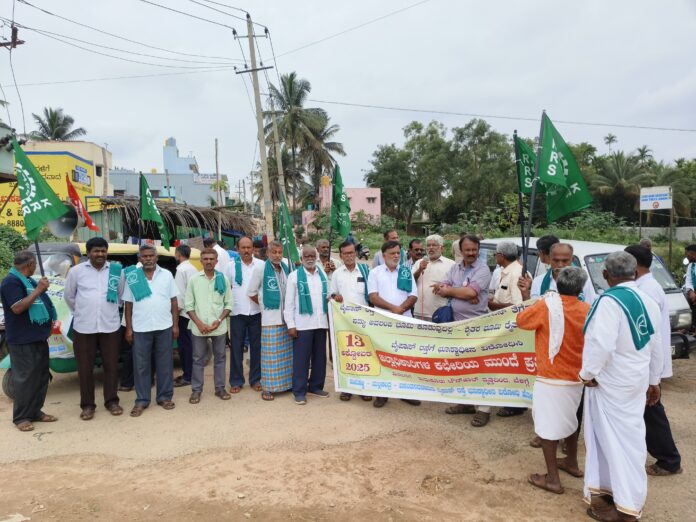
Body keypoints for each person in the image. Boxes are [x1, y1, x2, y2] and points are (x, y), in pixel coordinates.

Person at [581, 251, 663, 521]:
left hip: (611, 383)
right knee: (626, 438)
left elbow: (600, 345)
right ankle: (611, 490)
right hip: (636, 380)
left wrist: (587, 373)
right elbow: (656, 343)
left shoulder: (608, 301)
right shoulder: (647, 300)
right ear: (635, 273)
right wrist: (654, 380)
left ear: (605, 274)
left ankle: (627, 508)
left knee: (619, 443)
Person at [516, 267, 590, 494]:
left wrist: (538, 300)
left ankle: (553, 479)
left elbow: (521, 321)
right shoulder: (588, 309)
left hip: (551, 377)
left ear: (557, 284)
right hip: (577, 377)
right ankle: (571, 462)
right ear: (581, 288)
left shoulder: (545, 306)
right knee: (571, 421)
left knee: (547, 429)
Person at [625, 245, 682, 477]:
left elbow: (650, 336)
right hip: (647, 363)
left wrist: (653, 377)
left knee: (652, 411)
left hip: (647, 364)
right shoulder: (646, 286)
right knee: (648, 411)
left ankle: (669, 460)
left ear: (634, 264)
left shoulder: (647, 290)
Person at [433, 235, 492, 426]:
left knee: (479, 368)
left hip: (476, 327)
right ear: (461, 250)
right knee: (461, 367)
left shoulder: (483, 269)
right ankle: (466, 403)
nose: (471, 253)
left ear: (478, 250)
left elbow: (469, 292)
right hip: (456, 325)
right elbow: (441, 286)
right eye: (468, 250)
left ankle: (484, 409)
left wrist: (457, 291)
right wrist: (463, 293)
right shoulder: (455, 267)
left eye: (474, 249)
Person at [64, 237, 125, 420]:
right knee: (85, 368)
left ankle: (111, 401)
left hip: (110, 326)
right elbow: (69, 296)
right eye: (96, 251)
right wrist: (83, 311)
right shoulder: (76, 271)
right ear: (88, 253)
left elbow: (120, 296)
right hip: (84, 327)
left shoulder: (116, 271)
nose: (100, 254)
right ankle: (88, 405)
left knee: (111, 365)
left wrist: (106, 309)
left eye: (103, 251)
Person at [0, 251, 57, 432]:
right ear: (30, 264)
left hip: (38, 337)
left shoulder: (29, 281)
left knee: (40, 377)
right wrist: (39, 290)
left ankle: (35, 411)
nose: (35, 268)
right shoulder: (11, 282)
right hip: (22, 339)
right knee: (26, 379)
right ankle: (21, 417)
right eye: (35, 265)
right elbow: (17, 308)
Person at [123, 244, 179, 417]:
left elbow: (174, 301)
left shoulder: (167, 275)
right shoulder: (133, 276)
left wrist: (175, 325)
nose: (148, 259)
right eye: (144, 256)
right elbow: (128, 304)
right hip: (141, 327)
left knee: (165, 364)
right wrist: (129, 328)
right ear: (140, 259)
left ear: (156, 257)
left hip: (164, 326)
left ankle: (164, 397)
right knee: (141, 366)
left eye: (151, 256)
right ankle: (142, 400)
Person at [368, 240, 420, 408]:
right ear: (384, 256)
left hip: (403, 320)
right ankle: (382, 393)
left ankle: (405, 392)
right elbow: (373, 297)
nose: (396, 256)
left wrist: (401, 309)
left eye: (398, 253)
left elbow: (413, 295)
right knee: (383, 355)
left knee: (404, 356)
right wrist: (393, 308)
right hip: (382, 322)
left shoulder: (406, 271)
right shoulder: (375, 273)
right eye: (392, 253)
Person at [185, 248, 234, 404]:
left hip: (218, 327)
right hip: (198, 327)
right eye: (205, 259)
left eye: (211, 259)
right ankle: (196, 390)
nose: (208, 261)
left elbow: (229, 304)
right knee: (198, 359)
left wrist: (219, 320)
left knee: (220, 358)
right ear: (201, 261)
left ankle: (220, 388)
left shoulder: (223, 279)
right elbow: (188, 305)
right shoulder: (194, 280)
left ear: (216, 261)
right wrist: (199, 323)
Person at [284, 246, 330, 405]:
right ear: (301, 258)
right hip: (302, 325)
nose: (310, 258)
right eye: (306, 256)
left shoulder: (322, 274)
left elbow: (327, 296)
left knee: (320, 358)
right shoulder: (294, 277)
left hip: (320, 323)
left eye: (312, 256)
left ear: (316, 257)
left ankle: (315, 386)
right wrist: (291, 325)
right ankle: (299, 391)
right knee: (301, 360)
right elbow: (289, 303)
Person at [247, 241, 292, 401]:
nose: (277, 255)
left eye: (280, 252)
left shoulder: (286, 268)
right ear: (267, 253)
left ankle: (286, 384)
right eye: (274, 252)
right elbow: (251, 292)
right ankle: (268, 388)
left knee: (286, 356)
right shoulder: (260, 268)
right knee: (270, 356)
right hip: (270, 320)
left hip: (287, 319)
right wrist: (265, 305)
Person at [330, 240, 372, 402]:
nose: (349, 256)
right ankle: (346, 388)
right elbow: (331, 294)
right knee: (346, 355)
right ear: (341, 256)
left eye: (351, 252)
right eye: (345, 253)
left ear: (356, 253)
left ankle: (364, 387)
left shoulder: (365, 271)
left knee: (364, 355)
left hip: (364, 321)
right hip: (344, 322)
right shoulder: (337, 274)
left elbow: (372, 294)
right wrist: (335, 297)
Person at [225, 236, 264, 393]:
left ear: (253, 249)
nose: (246, 250)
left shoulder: (261, 265)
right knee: (236, 348)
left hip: (257, 312)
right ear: (237, 249)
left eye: (249, 247)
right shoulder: (230, 267)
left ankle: (256, 379)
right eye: (243, 247)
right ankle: (236, 380)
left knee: (257, 348)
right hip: (237, 312)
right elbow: (226, 287)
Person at [518, 243, 596, 304]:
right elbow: (534, 309)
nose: (560, 265)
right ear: (549, 259)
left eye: (565, 261)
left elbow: (590, 309)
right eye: (556, 260)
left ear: (572, 260)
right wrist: (525, 293)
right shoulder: (538, 281)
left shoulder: (584, 282)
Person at [412, 235, 455, 321]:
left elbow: (456, 286)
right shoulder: (419, 263)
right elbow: (411, 281)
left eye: (434, 245)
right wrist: (419, 270)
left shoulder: (451, 264)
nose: (430, 248)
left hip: (439, 313)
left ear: (441, 248)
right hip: (418, 311)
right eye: (428, 245)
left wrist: (442, 286)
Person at [173, 244, 198, 388]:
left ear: (178, 254)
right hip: (192, 312)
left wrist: (175, 316)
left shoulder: (181, 270)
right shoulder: (193, 268)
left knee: (184, 346)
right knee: (189, 345)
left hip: (184, 314)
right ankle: (189, 373)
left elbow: (179, 297)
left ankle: (188, 376)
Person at [488, 241, 523, 311]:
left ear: (501, 256)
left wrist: (492, 305)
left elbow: (517, 306)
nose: (495, 257)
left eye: (495, 254)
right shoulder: (508, 270)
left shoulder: (516, 273)